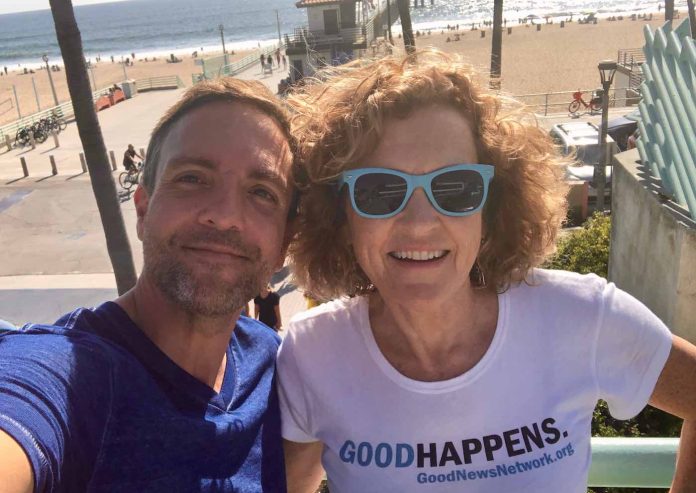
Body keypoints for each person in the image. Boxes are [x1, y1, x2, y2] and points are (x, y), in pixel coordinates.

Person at [278, 50, 696, 492]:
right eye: (379, 191)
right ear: (340, 217)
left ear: (491, 208)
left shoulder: (582, 317)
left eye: (455, 188)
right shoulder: (312, 357)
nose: (419, 223)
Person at [0, 78, 298, 492]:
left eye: (262, 192)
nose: (226, 215)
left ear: (283, 245)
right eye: (192, 178)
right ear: (143, 210)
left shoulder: (273, 363)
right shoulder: (72, 376)